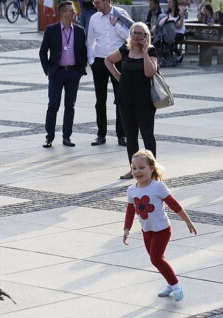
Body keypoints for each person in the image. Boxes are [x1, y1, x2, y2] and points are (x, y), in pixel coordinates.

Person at [122, 149, 197, 302]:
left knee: (156, 259)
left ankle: (176, 285)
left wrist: (187, 221)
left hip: (162, 229)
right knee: (157, 259)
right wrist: (126, 229)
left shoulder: (158, 187)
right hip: (147, 230)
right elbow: (130, 210)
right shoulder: (131, 190)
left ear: (151, 168)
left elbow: (174, 205)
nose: (137, 171)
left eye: (142, 168)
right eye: (134, 168)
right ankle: (170, 283)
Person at [105, 22, 158, 179]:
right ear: (130, 34)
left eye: (141, 33)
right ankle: (133, 169)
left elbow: (150, 73)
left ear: (146, 36)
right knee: (131, 135)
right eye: (135, 32)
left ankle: (152, 170)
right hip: (125, 98)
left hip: (145, 100)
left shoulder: (151, 51)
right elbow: (108, 60)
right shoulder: (125, 49)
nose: (137, 36)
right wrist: (118, 77)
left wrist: (145, 52)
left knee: (147, 135)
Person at [39, 1, 87, 148]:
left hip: (73, 72)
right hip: (57, 72)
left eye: (74, 10)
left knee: (70, 106)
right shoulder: (51, 30)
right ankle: (49, 137)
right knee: (53, 104)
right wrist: (48, 70)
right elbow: (42, 52)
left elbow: (84, 53)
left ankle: (67, 137)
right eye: (71, 11)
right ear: (63, 13)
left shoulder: (79, 30)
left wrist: (81, 69)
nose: (74, 13)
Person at [87, 0, 131, 147]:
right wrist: (91, 60)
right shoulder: (94, 18)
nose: (95, 5)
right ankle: (101, 134)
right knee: (100, 100)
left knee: (121, 99)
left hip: (118, 60)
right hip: (99, 61)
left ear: (107, 1)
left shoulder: (121, 14)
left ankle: (122, 135)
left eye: (98, 2)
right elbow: (90, 40)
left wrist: (116, 24)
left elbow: (129, 37)